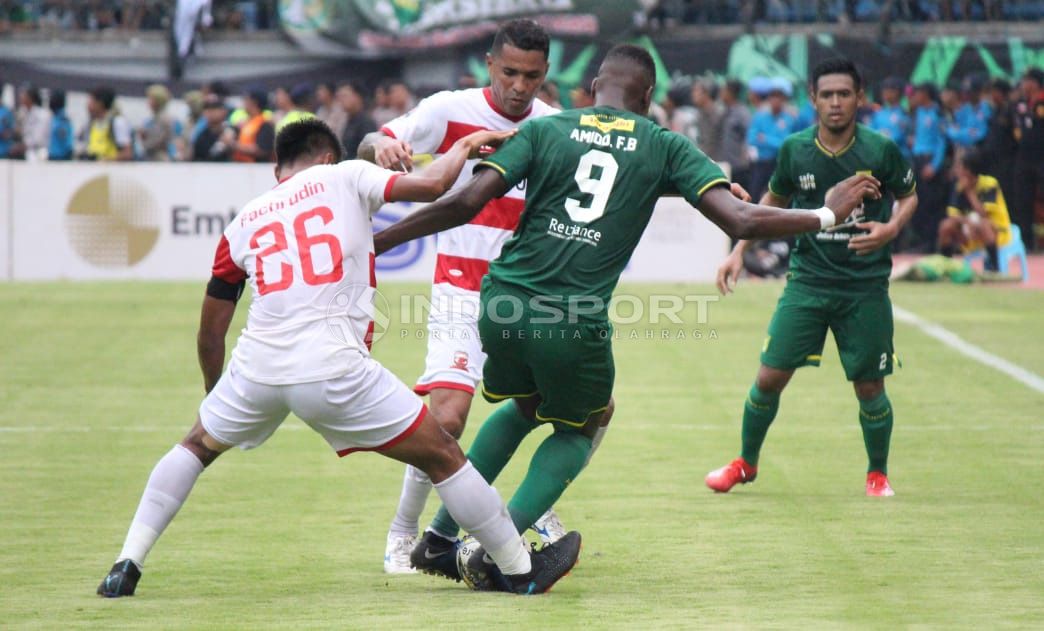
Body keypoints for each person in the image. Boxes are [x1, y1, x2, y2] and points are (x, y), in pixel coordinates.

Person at [372, 45, 879, 586]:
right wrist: (826, 211)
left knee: (528, 406)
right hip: (571, 316)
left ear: (594, 88)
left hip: (500, 300)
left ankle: (439, 537)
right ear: (650, 98)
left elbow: (462, 202)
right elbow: (742, 220)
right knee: (590, 420)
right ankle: (492, 551)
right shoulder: (663, 145)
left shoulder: (548, 129)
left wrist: (376, 242)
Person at [96, 119, 581, 599]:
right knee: (444, 455)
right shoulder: (344, 174)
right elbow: (434, 185)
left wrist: (216, 392)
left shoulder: (243, 220)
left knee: (195, 446)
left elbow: (210, 329)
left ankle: (126, 564)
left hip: (257, 366)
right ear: (329, 156)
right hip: (333, 365)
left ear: (277, 167)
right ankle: (519, 569)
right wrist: (471, 142)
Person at [357, 18, 573, 576]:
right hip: (460, 284)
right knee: (447, 419)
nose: (518, 86)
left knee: (537, 410)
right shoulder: (448, 110)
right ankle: (404, 533)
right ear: (489, 64)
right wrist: (382, 145)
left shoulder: (555, 128)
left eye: (530, 75)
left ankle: (525, 510)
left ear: (545, 73)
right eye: (509, 73)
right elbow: (374, 139)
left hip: (526, 294)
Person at [707, 58, 918, 498]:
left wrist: (891, 229)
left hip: (864, 287)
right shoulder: (795, 150)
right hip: (807, 283)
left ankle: (877, 474)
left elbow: (909, 195)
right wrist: (740, 250)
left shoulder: (881, 149)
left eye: (844, 94)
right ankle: (746, 463)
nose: (836, 103)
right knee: (768, 377)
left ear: (860, 98)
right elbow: (774, 198)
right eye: (827, 95)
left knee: (869, 386)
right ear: (813, 99)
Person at [938, 147, 1012, 270]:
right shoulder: (958, 187)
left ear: (969, 170)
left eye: (959, 167)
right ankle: (946, 266)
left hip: (997, 232)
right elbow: (953, 215)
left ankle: (994, 267)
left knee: (983, 224)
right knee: (945, 226)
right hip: (971, 232)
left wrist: (969, 192)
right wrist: (967, 222)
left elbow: (984, 214)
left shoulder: (990, 184)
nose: (957, 170)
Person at [909, 82, 947, 251]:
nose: (915, 97)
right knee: (919, 203)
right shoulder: (917, 113)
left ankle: (932, 244)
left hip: (930, 160)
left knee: (932, 204)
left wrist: (934, 165)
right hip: (917, 160)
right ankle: (922, 241)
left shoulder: (937, 112)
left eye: (918, 93)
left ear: (926, 94)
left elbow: (942, 141)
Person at [747, 81, 798, 200]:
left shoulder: (788, 118)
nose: (776, 101)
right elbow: (752, 139)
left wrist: (765, 138)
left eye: (779, 97)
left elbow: (785, 143)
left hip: (779, 163)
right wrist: (774, 141)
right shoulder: (760, 116)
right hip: (761, 163)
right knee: (754, 194)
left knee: (780, 195)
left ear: (784, 99)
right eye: (773, 97)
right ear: (769, 99)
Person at [1012, 67, 1044, 251]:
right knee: (1023, 201)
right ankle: (1026, 243)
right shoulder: (1020, 104)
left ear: (1035, 83)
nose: (1024, 85)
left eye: (1027, 81)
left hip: (1042, 157)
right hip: (1024, 159)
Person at [81, 86, 133, 161]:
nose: (87, 105)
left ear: (100, 103)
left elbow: (127, 154)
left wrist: (106, 160)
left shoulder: (117, 122)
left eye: (91, 101)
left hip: (112, 170)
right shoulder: (91, 124)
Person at [229, 88, 275, 163]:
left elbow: (263, 150)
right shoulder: (245, 123)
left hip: (256, 170)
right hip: (241, 166)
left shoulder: (265, 123)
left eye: (246, 99)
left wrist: (233, 145)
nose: (244, 102)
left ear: (254, 102)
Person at [336, 80, 377, 159]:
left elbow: (369, 153)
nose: (340, 101)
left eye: (344, 96)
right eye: (339, 97)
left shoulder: (366, 122)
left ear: (358, 96)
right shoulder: (348, 120)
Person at [139, 84, 177, 161]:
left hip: (160, 158)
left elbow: (158, 141)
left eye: (151, 99)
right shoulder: (153, 119)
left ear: (158, 100)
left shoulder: (164, 119)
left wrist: (144, 142)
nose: (148, 102)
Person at [47, 89, 74, 161]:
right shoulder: (54, 118)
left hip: (60, 158)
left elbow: (67, 143)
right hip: (52, 156)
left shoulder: (63, 120)